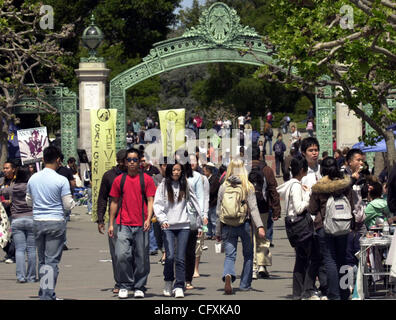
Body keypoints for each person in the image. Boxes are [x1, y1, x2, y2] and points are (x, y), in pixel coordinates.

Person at [26, 146, 75, 300]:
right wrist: (73, 204)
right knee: (52, 261)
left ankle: (44, 291)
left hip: (38, 221)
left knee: (43, 260)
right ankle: (47, 294)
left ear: (43, 159)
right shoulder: (61, 180)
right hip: (55, 221)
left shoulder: (33, 178)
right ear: (58, 160)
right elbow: (67, 204)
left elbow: (28, 201)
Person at [108, 148, 156, 299]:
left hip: (141, 224)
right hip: (123, 224)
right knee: (121, 255)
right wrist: (111, 223)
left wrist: (148, 219)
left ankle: (139, 286)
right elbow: (114, 202)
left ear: (139, 161)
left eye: (135, 160)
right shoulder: (119, 180)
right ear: (125, 162)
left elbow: (150, 200)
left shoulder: (146, 179)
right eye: (129, 160)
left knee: (141, 257)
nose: (132, 163)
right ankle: (124, 284)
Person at [215, 159, 266, 294]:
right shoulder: (247, 186)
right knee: (248, 255)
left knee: (230, 256)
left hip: (227, 224)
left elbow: (218, 211)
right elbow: (253, 208)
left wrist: (218, 231)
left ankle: (228, 275)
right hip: (245, 224)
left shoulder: (224, 186)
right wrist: (260, 226)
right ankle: (244, 284)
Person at [153, 162, 202, 298]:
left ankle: (179, 285)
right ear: (169, 171)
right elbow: (157, 204)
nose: (176, 172)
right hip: (168, 226)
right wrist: (163, 219)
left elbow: (195, 201)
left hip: (183, 226)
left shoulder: (186, 184)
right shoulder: (163, 185)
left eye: (178, 170)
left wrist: (201, 220)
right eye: (173, 170)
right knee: (169, 257)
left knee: (180, 257)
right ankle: (168, 281)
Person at [308, 157, 354, 300]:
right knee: (343, 258)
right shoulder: (345, 184)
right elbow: (351, 204)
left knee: (330, 260)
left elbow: (312, 209)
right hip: (344, 225)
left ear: (322, 170)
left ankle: (334, 295)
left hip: (324, 227)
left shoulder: (319, 187)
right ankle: (345, 292)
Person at [277, 156, 316, 300]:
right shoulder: (296, 186)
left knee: (300, 260)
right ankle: (305, 290)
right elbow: (299, 208)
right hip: (301, 227)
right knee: (308, 259)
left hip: (293, 227)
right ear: (302, 170)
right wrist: (308, 195)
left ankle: (298, 292)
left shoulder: (290, 184)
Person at [96, 149, 128, 294]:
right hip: (115, 219)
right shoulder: (109, 176)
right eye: (125, 161)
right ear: (118, 161)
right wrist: (100, 218)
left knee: (131, 252)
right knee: (117, 253)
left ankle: (131, 280)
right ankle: (120, 282)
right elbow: (102, 198)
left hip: (134, 218)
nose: (128, 164)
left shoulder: (136, 175)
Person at [0, 165, 36, 283]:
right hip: (31, 218)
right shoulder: (31, 187)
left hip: (16, 220)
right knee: (31, 250)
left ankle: (21, 276)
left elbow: (3, 191)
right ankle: (31, 276)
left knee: (20, 249)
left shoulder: (12, 187)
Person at [250, 146, 280, 278]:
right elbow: (273, 189)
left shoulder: (243, 169)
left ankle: (253, 267)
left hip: (248, 209)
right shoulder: (267, 170)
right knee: (262, 235)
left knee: (250, 237)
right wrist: (276, 209)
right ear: (260, 155)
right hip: (263, 207)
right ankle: (262, 265)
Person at [183, 156, 206, 291]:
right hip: (176, 219)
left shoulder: (197, 177)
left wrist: (202, 219)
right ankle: (179, 278)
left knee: (190, 251)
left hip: (192, 218)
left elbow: (201, 198)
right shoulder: (174, 176)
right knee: (178, 251)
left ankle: (188, 278)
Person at [0, 161, 16, 263]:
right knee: (2, 234)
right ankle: (9, 252)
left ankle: (12, 255)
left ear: (13, 169)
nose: (5, 170)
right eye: (4, 168)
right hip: (3, 211)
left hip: (14, 211)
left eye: (7, 168)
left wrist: (10, 201)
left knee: (12, 234)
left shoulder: (17, 181)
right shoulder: (1, 181)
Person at [203, 163, 220, 241]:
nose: (204, 172)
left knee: (213, 219)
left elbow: (212, 191)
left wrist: (205, 191)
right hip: (207, 203)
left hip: (213, 202)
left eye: (205, 170)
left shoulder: (215, 178)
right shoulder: (206, 178)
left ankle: (215, 234)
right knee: (207, 220)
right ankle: (208, 233)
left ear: (209, 171)